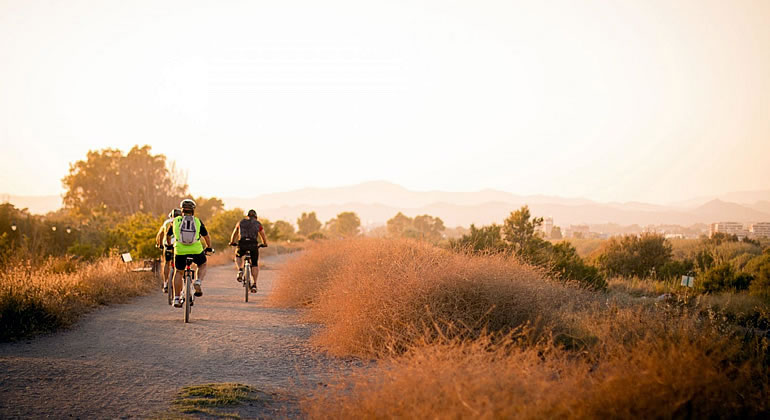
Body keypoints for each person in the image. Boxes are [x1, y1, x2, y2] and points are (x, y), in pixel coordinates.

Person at [166, 198, 213, 308]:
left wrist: (169, 245)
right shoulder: (197, 221)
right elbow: (206, 236)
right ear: (193, 210)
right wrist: (209, 247)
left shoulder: (175, 221)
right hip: (196, 250)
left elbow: (168, 236)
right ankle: (198, 281)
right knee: (203, 264)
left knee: (179, 272)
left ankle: (176, 298)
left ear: (182, 210)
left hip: (180, 251)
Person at [229, 209, 268, 292]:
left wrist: (232, 242)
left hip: (242, 243)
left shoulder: (241, 222)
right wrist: (264, 243)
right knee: (254, 264)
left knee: (238, 255)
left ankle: (240, 269)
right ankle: (254, 284)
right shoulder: (258, 224)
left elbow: (235, 233)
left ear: (247, 216)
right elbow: (263, 235)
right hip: (253, 245)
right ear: (255, 217)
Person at [155, 208, 181, 293]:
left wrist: (160, 244)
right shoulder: (182, 221)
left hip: (168, 245)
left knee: (167, 262)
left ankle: (165, 283)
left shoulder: (167, 222)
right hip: (178, 245)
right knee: (180, 266)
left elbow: (160, 234)